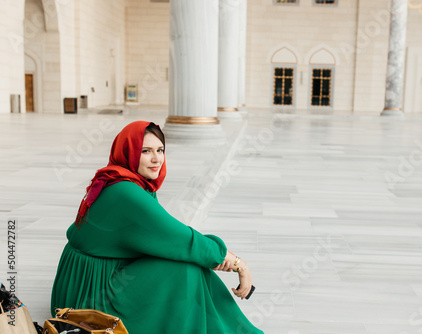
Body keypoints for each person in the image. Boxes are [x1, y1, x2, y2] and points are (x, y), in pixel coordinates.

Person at [51, 121, 263, 334]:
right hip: (92, 297)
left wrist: (219, 255)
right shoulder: (126, 192)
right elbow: (181, 240)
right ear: (129, 152)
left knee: (188, 258)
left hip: (89, 279)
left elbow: (169, 237)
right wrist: (237, 263)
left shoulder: (121, 179)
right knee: (186, 270)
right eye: (145, 151)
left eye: (160, 150)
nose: (156, 159)